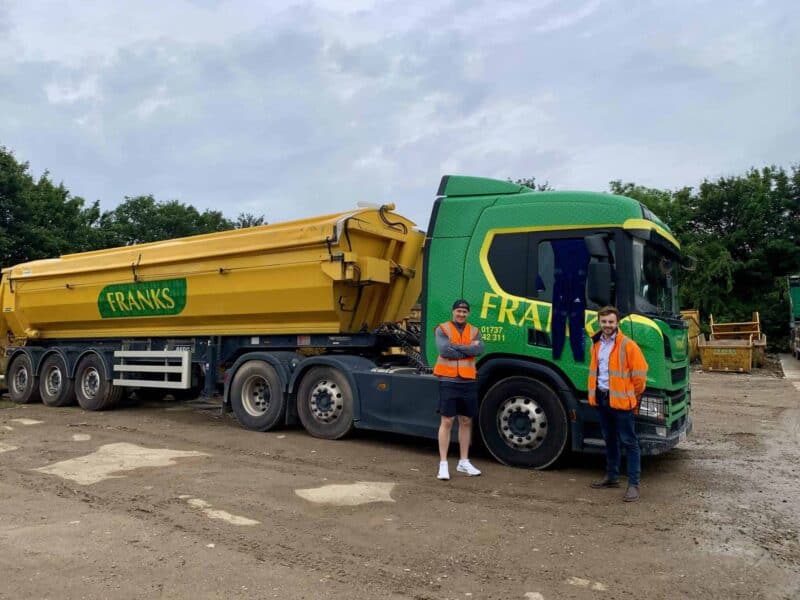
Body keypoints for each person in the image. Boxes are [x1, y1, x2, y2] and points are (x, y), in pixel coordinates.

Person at [587, 306, 648, 502]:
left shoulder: (627, 345)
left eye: (611, 322)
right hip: (603, 399)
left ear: (617, 323)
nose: (607, 325)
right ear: (599, 322)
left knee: (629, 442)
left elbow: (639, 376)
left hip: (622, 402)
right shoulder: (596, 344)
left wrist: (631, 395)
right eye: (604, 322)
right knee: (610, 439)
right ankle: (612, 477)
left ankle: (633, 485)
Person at [434, 299, 485, 480]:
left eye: (464, 312)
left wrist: (455, 346)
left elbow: (480, 350)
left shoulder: (475, 330)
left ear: (468, 314)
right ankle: (443, 464)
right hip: (448, 380)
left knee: (465, 421)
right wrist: (469, 348)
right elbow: (444, 351)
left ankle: (464, 462)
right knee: (447, 421)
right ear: (453, 312)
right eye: (458, 311)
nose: (461, 314)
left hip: (468, 381)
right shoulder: (442, 329)